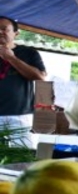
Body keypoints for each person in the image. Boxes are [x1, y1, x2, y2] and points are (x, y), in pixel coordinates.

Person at [0, 15, 46, 147]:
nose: (0, 32)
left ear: (16, 33)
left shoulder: (28, 53)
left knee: (20, 159)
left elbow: (40, 78)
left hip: (19, 116)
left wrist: (11, 58)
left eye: (4, 29)